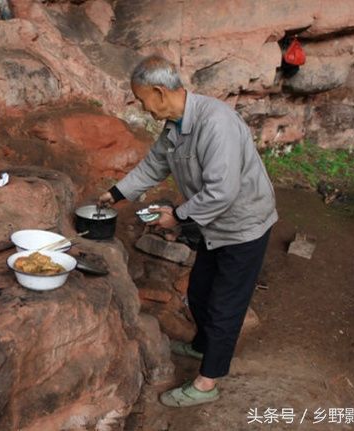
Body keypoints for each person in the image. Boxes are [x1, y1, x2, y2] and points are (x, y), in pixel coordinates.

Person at [98, 56, 278, 407]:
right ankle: (202, 346)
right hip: (214, 224)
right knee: (199, 291)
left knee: (226, 303)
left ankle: (208, 383)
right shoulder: (175, 126)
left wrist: (177, 216)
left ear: (159, 92)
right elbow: (154, 166)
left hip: (244, 226)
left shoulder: (216, 123)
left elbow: (222, 192)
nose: (141, 106)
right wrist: (115, 194)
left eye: (141, 99)